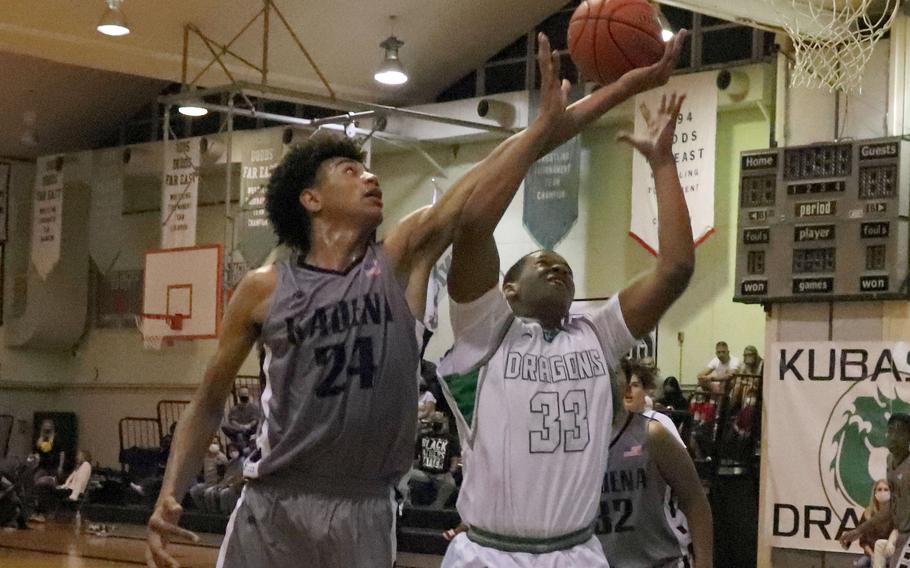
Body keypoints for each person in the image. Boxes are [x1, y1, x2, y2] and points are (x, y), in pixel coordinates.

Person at [146, 31, 660, 568]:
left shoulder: (402, 259)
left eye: (370, 170)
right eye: (352, 171)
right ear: (311, 199)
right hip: (275, 501)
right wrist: (170, 494)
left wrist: (614, 93)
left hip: (366, 508)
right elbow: (208, 399)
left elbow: (491, 171)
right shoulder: (264, 288)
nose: (371, 177)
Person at [437, 33, 693, 566]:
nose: (555, 264)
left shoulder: (596, 334)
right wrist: (540, 135)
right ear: (506, 291)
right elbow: (473, 224)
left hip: (575, 552)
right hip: (490, 552)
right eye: (539, 262)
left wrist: (663, 165)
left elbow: (675, 270)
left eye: (564, 266)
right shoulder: (486, 329)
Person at [599, 359, 713, 568]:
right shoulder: (577, 445)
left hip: (661, 559)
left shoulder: (654, 432)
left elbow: (695, 499)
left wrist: (704, 562)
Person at [841, 413, 910, 568]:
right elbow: (891, 508)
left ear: (908, 437)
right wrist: (858, 531)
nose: (892, 436)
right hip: (902, 536)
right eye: (890, 431)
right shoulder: (890, 460)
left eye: (899, 432)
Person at [624, 359, 684, 446]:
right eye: (625, 385)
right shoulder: (611, 423)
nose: (628, 390)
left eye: (635, 385)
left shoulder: (660, 421)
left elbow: (680, 457)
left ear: (646, 390)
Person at [409, 411, 460, 509]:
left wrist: (451, 471)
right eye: (435, 420)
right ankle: (407, 503)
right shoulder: (423, 437)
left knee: (450, 484)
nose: (437, 423)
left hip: (441, 474)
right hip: (424, 472)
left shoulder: (451, 439)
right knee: (404, 475)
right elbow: (414, 456)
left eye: (439, 420)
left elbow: (454, 458)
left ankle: (437, 507)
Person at [852, 479, 897, 568]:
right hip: (870, 554)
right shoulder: (867, 514)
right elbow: (863, 541)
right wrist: (873, 556)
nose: (882, 492)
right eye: (879, 489)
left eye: (886, 489)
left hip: (891, 555)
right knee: (861, 564)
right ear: (875, 492)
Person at [188, 438, 228, 512]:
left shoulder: (221, 457)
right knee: (194, 490)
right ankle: (203, 509)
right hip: (207, 483)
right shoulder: (205, 457)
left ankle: (214, 512)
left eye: (214, 443)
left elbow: (224, 474)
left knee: (208, 493)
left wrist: (219, 484)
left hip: (217, 483)